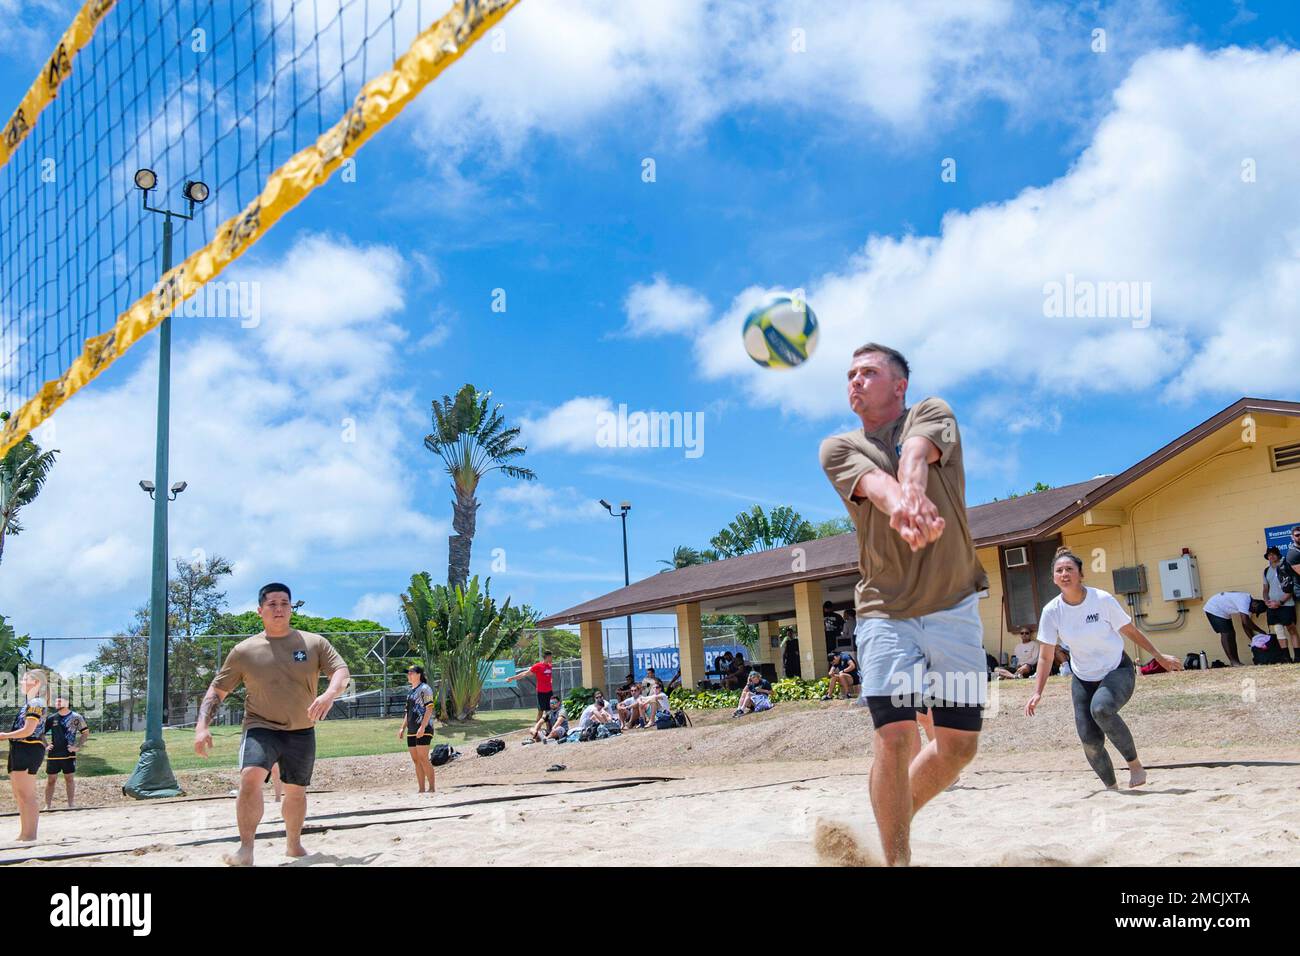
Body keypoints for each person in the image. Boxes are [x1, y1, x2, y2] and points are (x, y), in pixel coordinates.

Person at [819, 343, 989, 866]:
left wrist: (915, 489)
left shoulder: (932, 412)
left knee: (959, 747)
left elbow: (917, 453)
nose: (854, 380)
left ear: (899, 385)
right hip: (884, 611)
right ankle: (897, 861)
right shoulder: (838, 446)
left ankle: (885, 828)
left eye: (868, 372)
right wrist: (903, 504)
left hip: (953, 606)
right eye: (849, 374)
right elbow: (875, 487)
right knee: (894, 735)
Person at [195, 582, 350, 866]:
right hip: (260, 726)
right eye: (272, 604)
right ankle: (246, 850)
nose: (279, 609)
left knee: (295, 790)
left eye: (284, 604)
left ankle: (293, 845)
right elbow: (216, 691)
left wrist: (330, 694)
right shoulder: (244, 650)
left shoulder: (313, 642)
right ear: (260, 610)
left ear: (291, 609)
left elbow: (341, 671)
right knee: (250, 777)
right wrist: (202, 725)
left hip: (301, 729)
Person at [1026, 548, 1184, 790]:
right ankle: (1111, 788)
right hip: (1083, 678)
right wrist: (1038, 691)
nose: (1064, 573)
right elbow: (1046, 657)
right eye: (1059, 570)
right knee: (1089, 739)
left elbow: (1130, 631)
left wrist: (1158, 656)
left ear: (1081, 574)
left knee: (1101, 709)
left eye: (1070, 569)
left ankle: (1134, 765)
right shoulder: (1051, 611)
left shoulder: (1101, 600)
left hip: (1116, 670)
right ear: (1053, 577)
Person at [1, 669, 47, 841]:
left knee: (26, 794)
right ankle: (25, 833)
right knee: (20, 794)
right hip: (20, 748)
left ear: (36, 683)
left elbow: (29, 730)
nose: (21, 682)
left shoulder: (36, 702)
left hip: (28, 748)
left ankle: (29, 835)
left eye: (25, 679)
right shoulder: (30, 703)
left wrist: (5, 736)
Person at [43, 695, 89, 810]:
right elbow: (40, 732)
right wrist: (46, 745)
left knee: (69, 779)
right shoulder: (52, 718)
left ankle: (71, 805)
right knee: (51, 781)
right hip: (54, 755)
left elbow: (85, 732)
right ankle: (47, 806)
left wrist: (77, 747)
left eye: (59, 701)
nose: (57, 703)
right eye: (56, 701)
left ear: (67, 703)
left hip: (69, 754)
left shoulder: (76, 717)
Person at [397, 665, 437, 794]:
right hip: (412, 729)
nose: (408, 675)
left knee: (423, 757)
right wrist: (402, 727)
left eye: (411, 673)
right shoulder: (410, 692)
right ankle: (421, 789)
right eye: (408, 673)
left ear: (419, 674)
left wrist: (423, 726)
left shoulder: (425, 689)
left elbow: (429, 708)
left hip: (424, 727)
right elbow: (408, 712)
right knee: (416, 760)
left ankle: (431, 788)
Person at [1202, 590, 1269, 666]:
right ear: (1255, 603)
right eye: (1254, 611)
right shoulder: (1244, 600)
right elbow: (1245, 622)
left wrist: (1253, 640)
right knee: (1226, 634)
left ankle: (1236, 662)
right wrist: (1260, 631)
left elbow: (1245, 625)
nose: (1253, 612)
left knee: (1231, 634)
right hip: (1214, 608)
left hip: (1222, 612)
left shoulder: (1249, 606)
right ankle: (1234, 662)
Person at [1262, 547, 1298, 663]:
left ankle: (1298, 656)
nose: (1271, 557)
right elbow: (1265, 588)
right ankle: (1286, 658)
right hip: (1272, 607)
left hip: (1286, 604)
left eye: (1273, 554)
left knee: (1291, 629)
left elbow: (1291, 587)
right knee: (1278, 630)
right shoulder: (1266, 571)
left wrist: (1280, 602)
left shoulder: (1285, 567)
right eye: (1269, 555)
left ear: (1278, 555)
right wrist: (1267, 601)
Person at [506, 651, 555, 718]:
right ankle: (537, 728)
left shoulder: (550, 666)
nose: (552, 658)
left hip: (549, 692)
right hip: (541, 692)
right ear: (547, 657)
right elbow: (525, 674)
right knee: (540, 711)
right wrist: (512, 678)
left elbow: (548, 676)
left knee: (549, 710)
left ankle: (549, 728)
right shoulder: (538, 666)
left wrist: (550, 680)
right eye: (551, 657)